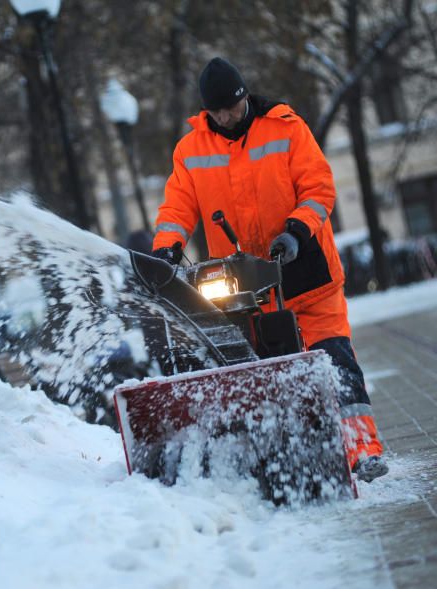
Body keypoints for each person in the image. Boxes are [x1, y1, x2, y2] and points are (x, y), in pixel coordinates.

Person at [152, 57, 388, 482]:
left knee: (335, 362)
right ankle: (282, 460)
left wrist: (296, 230)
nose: (227, 117)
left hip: (307, 273)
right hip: (243, 288)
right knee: (259, 378)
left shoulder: (286, 128)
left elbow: (318, 186)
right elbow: (177, 208)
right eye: (218, 111)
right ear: (207, 111)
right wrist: (166, 250)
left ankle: (362, 451)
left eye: (233, 108)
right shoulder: (191, 150)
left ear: (245, 98)